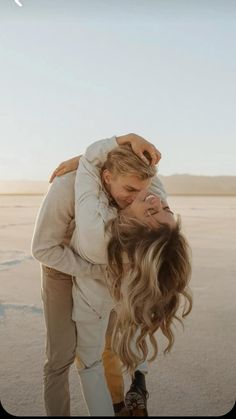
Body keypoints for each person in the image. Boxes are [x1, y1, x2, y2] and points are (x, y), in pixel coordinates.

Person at [43, 135, 192, 415]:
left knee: (90, 363)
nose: (154, 200)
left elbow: (90, 161)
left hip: (94, 294)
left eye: (152, 209)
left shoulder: (95, 233)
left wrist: (125, 140)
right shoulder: (145, 224)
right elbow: (151, 184)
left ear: (135, 228)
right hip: (120, 287)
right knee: (128, 330)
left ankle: (128, 391)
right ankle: (136, 383)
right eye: (165, 208)